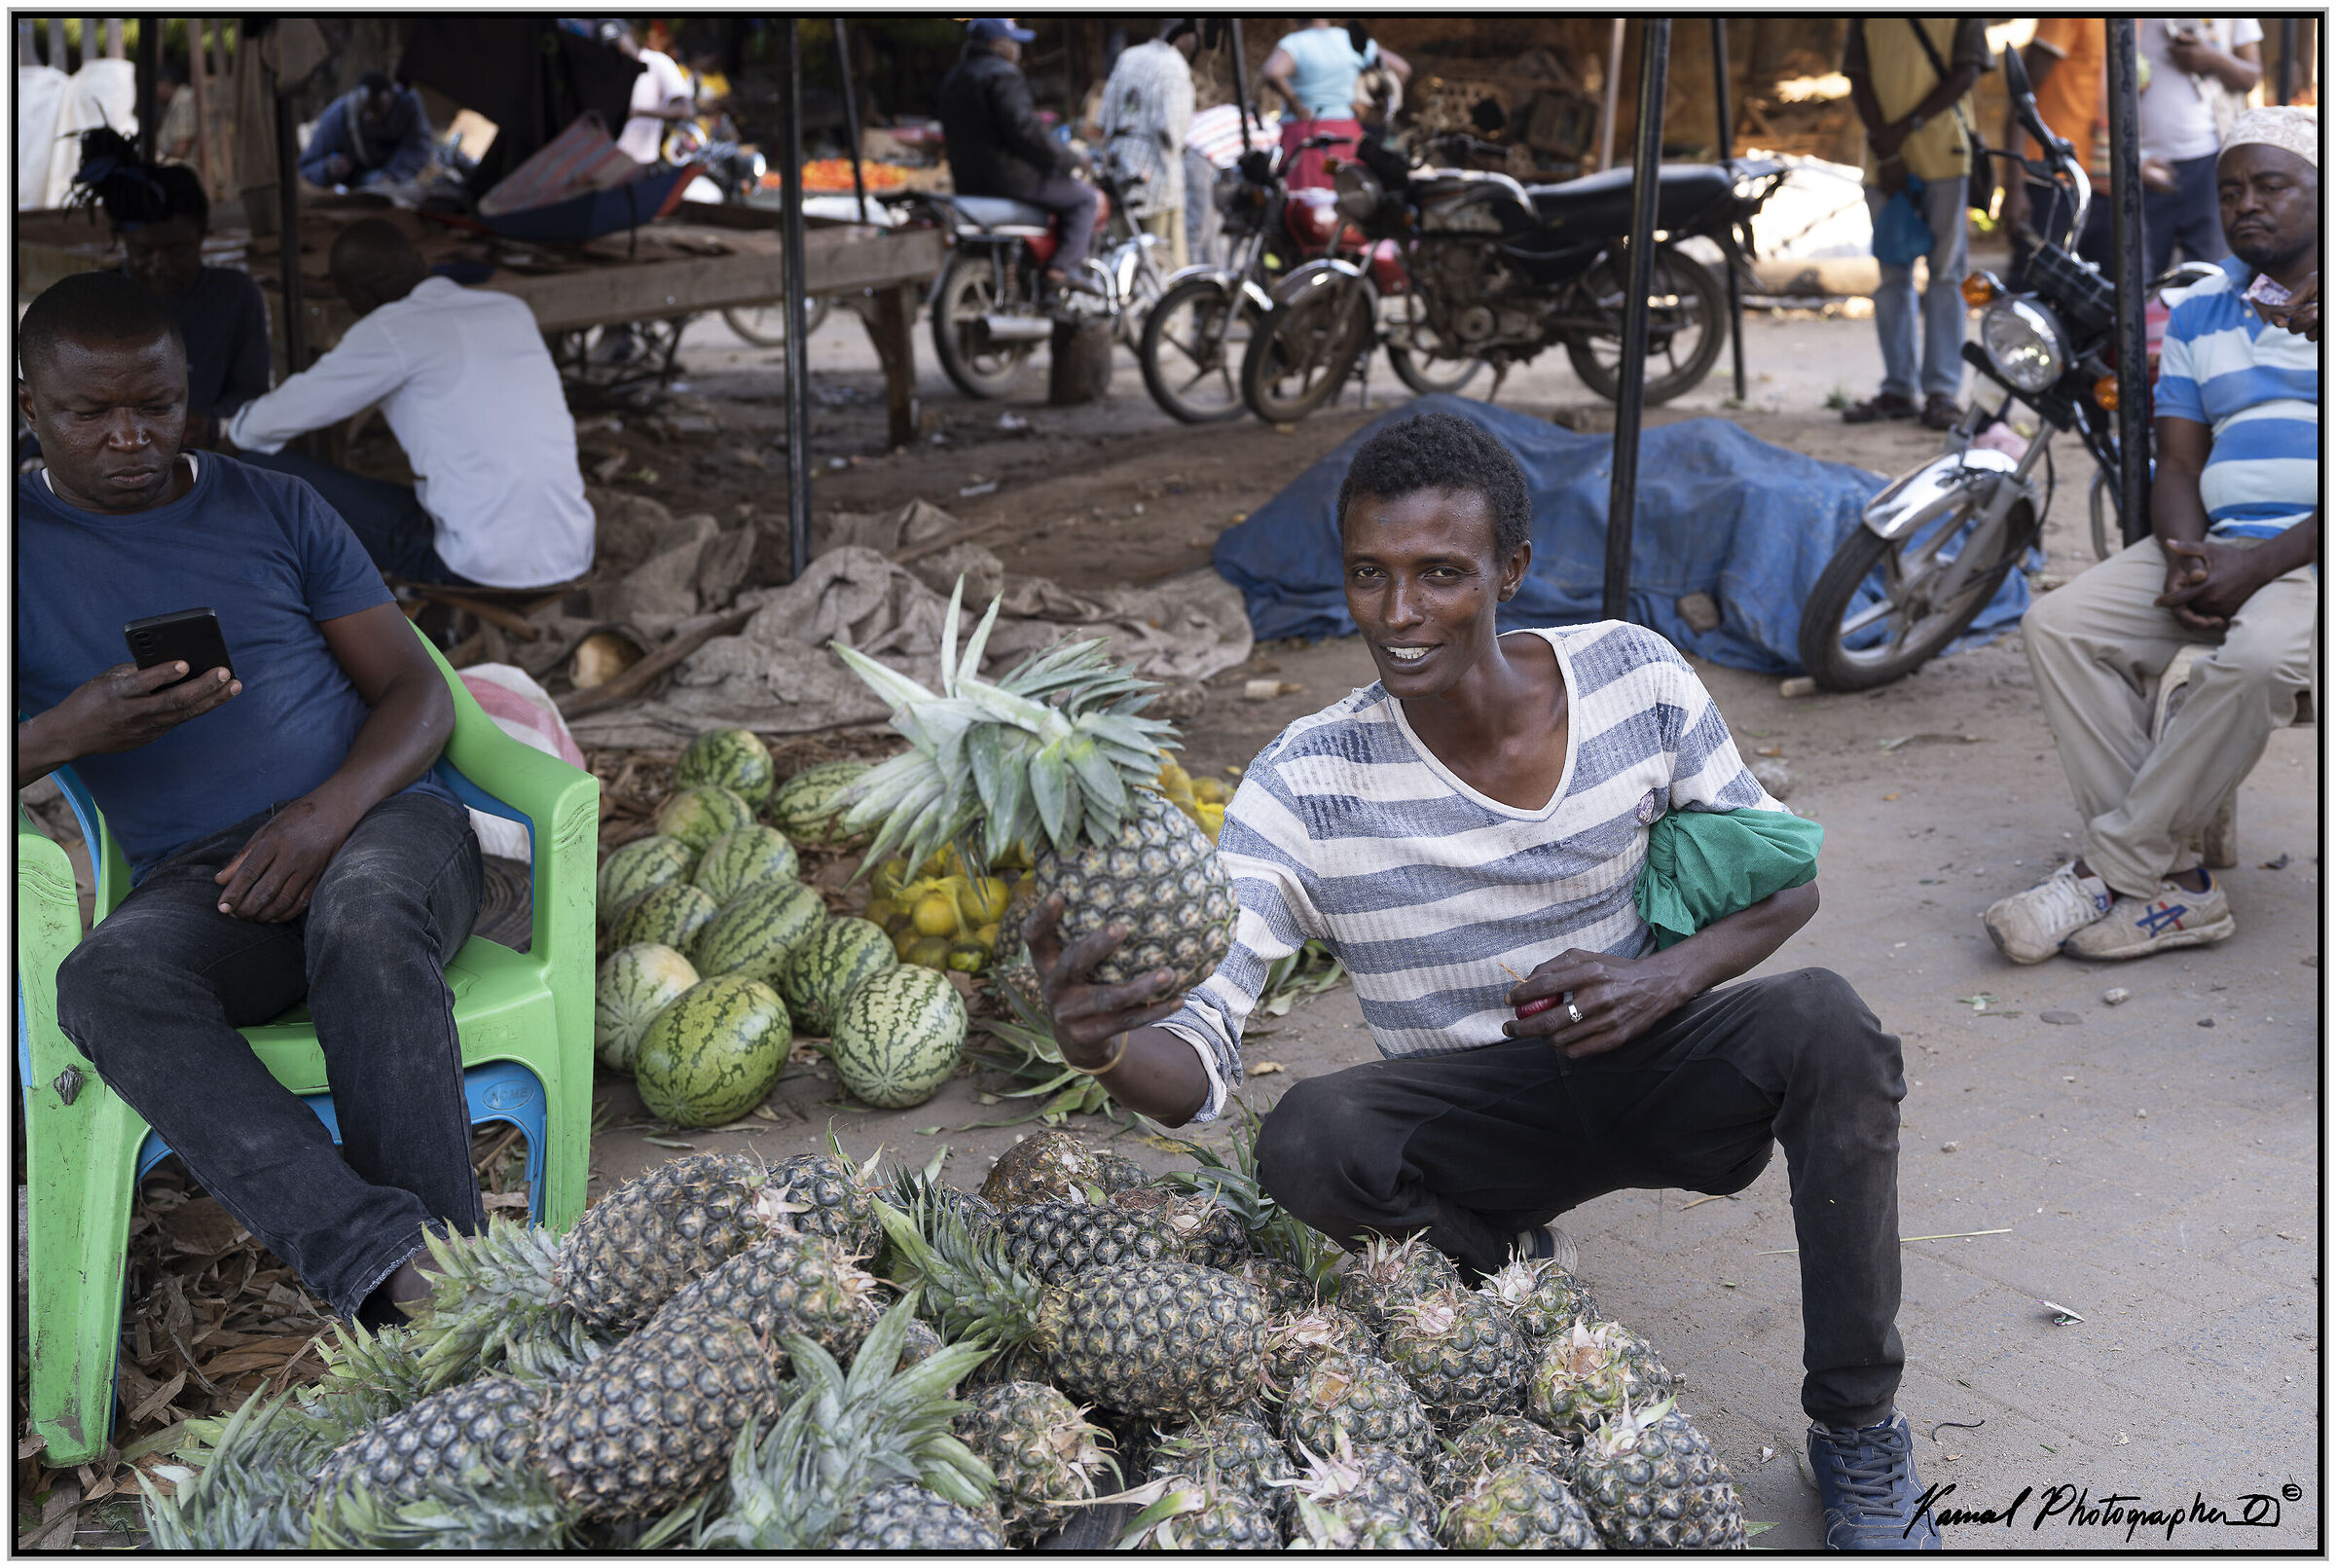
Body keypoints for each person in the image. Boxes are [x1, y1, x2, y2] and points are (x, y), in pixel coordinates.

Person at [1023, 411, 1941, 1550]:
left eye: (1440, 574)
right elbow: (1201, 1056)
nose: (1399, 613)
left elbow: (1786, 886)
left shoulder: (1635, 677)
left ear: (1511, 570)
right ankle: (1501, 1265)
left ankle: (1858, 1428)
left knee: (1830, 1021)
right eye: (1370, 574)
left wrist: (1662, 981)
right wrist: (1104, 1045)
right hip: (1477, 1122)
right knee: (1308, 1134)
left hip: (1649, 1061)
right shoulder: (1306, 782)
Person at [14, 270, 483, 1331]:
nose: (130, 437)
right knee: (103, 980)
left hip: (384, 825)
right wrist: (65, 732)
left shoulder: (273, 503)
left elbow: (417, 691)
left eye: (157, 405)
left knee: (362, 913)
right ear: (28, 405)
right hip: (213, 883)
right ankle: (401, 1267)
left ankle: (439, 1313)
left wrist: (326, 812)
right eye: (91, 413)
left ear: (189, 388)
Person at [1986, 109, 2318, 966]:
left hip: (2308, 559)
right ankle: (2178, 885)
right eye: (2230, 191)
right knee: (2060, 626)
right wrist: (2186, 557)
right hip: (2225, 543)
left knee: (2256, 659)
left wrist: (2257, 566)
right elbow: (2177, 462)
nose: (2246, 205)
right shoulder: (2202, 310)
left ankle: (2110, 868)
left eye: (2271, 185)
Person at [226, 219, 594, 590]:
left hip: (475, 561)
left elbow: (271, 420)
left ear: (359, 300)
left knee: (257, 470)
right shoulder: (510, 309)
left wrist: (226, 432)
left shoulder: (391, 329)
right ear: (421, 261)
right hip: (571, 548)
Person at [67, 128, 268, 449]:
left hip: (201, 455)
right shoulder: (93, 301)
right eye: (144, 252)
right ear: (123, 241)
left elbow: (251, 391)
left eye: (177, 250)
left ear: (202, 236)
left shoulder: (234, 295)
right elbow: (65, 400)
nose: (159, 264)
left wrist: (208, 424)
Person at [1841, 18, 1990, 431]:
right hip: (1884, 160)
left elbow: (1967, 72)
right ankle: (1899, 390)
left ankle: (1941, 392)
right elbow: (1857, 77)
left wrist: (1899, 133)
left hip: (1945, 154)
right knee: (1894, 276)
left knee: (1946, 275)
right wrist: (1888, 149)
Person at [939, 18, 1101, 294]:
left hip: (967, 180)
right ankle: (1061, 269)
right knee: (1085, 199)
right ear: (995, 45)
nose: (1018, 49)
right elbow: (1026, 132)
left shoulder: (955, 76)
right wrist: (1070, 160)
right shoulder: (1003, 75)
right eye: (1013, 42)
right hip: (1011, 179)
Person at [2137, 18, 2265, 276]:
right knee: (2142, 277)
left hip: (2209, 161)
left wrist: (2213, 59)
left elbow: (2251, 75)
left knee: (2207, 275)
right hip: (2139, 165)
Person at [2000, 18, 2113, 281]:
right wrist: (2014, 186)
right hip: (2050, 182)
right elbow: (2021, 102)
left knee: (2104, 293)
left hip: (2104, 183)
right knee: (2035, 286)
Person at [1097, 19, 1199, 272]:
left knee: (1121, 255)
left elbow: (1104, 117)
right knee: (1161, 258)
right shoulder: (1173, 65)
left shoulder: (1128, 57)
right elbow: (1172, 130)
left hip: (1119, 165)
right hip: (1157, 171)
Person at [1261, 18, 1408, 191]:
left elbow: (1272, 72)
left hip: (1306, 135)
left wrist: (1295, 103)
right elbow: (1401, 69)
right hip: (1347, 134)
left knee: (1306, 199)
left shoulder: (1295, 43)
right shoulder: (1349, 39)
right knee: (1349, 196)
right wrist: (1369, 102)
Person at [299, 69, 434, 190]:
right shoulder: (337, 117)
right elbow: (307, 167)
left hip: (401, 182)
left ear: (392, 98)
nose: (370, 116)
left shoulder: (408, 106)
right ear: (355, 96)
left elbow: (419, 146)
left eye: (378, 109)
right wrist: (327, 168)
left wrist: (392, 176)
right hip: (356, 187)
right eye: (365, 109)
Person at [606, 20, 694, 167]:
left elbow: (685, 109)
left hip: (641, 164)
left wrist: (636, 112)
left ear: (631, 35)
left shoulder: (657, 62)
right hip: (604, 162)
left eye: (618, 42)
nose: (616, 49)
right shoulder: (607, 66)